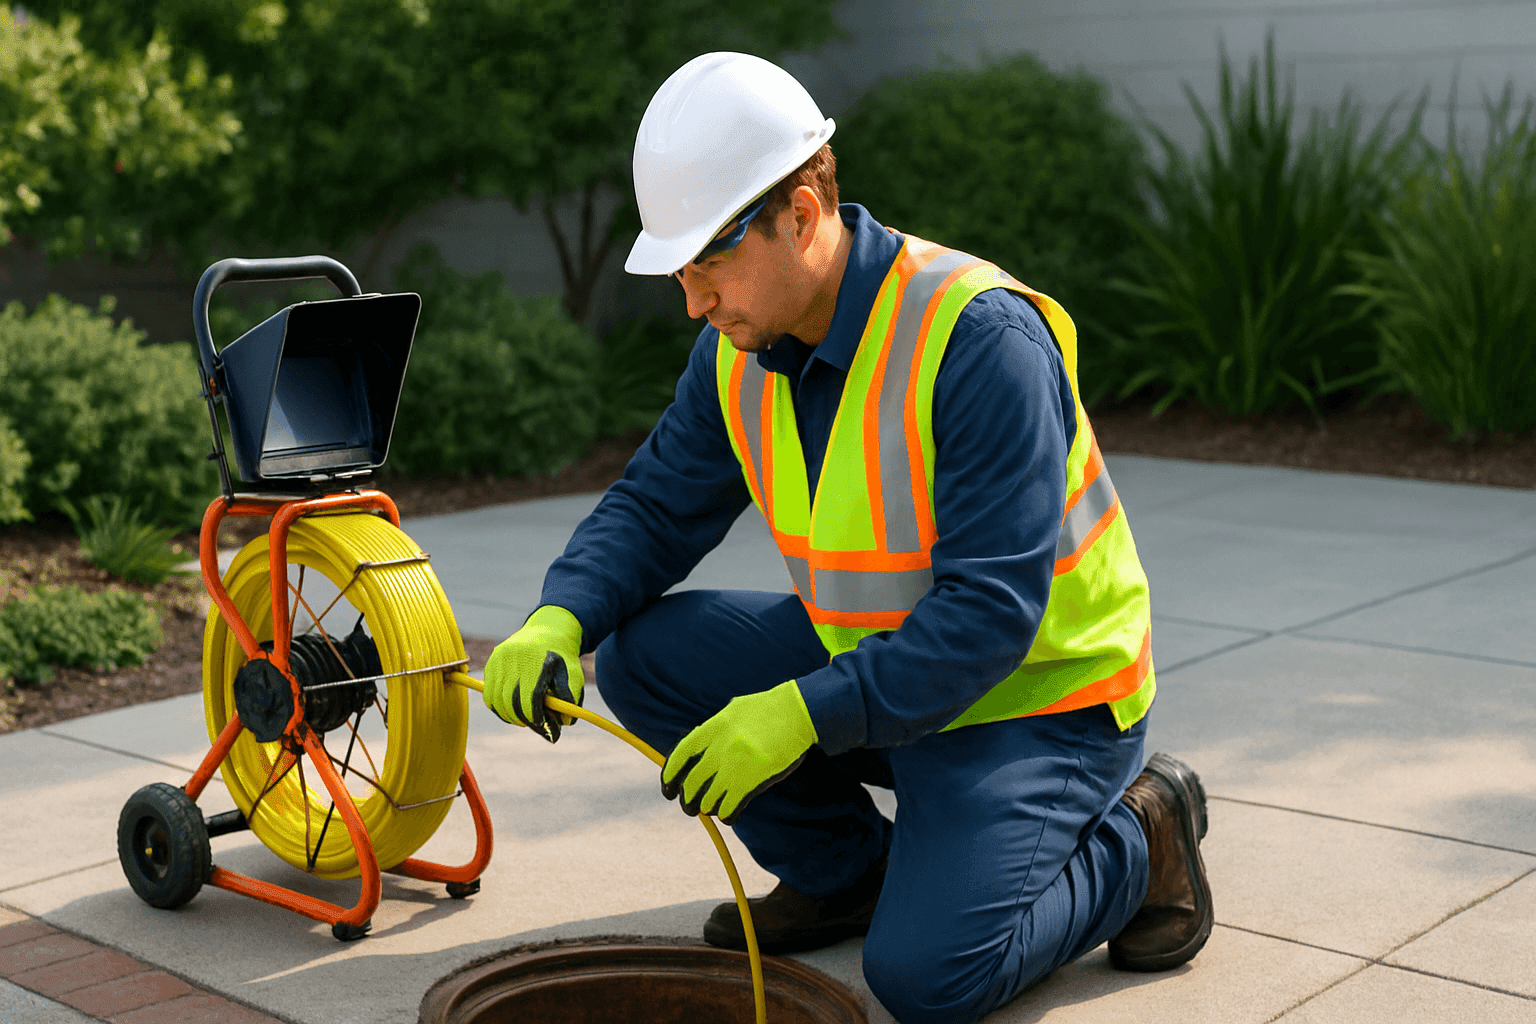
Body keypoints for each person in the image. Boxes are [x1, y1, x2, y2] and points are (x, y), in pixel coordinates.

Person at [482, 51, 1214, 1024]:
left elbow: (992, 617)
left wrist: (800, 715)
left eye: (710, 258)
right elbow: (656, 505)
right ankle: (848, 874)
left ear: (802, 210)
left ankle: (1145, 832)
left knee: (929, 979)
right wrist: (557, 617)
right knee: (645, 656)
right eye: (681, 268)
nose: (695, 299)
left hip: (1040, 701)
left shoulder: (978, 338)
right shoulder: (737, 350)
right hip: (881, 675)